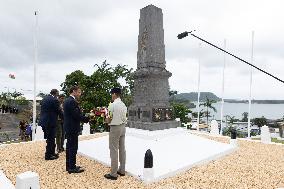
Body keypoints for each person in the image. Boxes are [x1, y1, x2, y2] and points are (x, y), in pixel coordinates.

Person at [64, 86, 89, 174]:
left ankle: (69, 165)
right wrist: (87, 119)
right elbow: (76, 115)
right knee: (73, 147)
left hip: (69, 126)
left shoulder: (67, 100)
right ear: (73, 91)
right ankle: (72, 167)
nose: (80, 94)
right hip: (72, 127)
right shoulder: (71, 101)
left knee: (69, 146)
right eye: (79, 92)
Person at [104, 87, 127, 180]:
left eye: (111, 94)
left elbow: (109, 118)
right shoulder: (123, 104)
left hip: (115, 127)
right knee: (122, 149)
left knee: (113, 150)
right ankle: (122, 170)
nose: (111, 96)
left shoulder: (112, 105)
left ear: (114, 94)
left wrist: (105, 119)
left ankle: (113, 173)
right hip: (123, 127)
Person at [39, 89, 63, 160]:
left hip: (44, 121)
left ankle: (52, 153)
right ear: (55, 94)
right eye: (58, 95)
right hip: (50, 122)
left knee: (50, 138)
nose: (58, 96)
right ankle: (48, 155)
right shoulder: (54, 100)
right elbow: (58, 111)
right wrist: (65, 118)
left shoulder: (44, 99)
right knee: (51, 139)